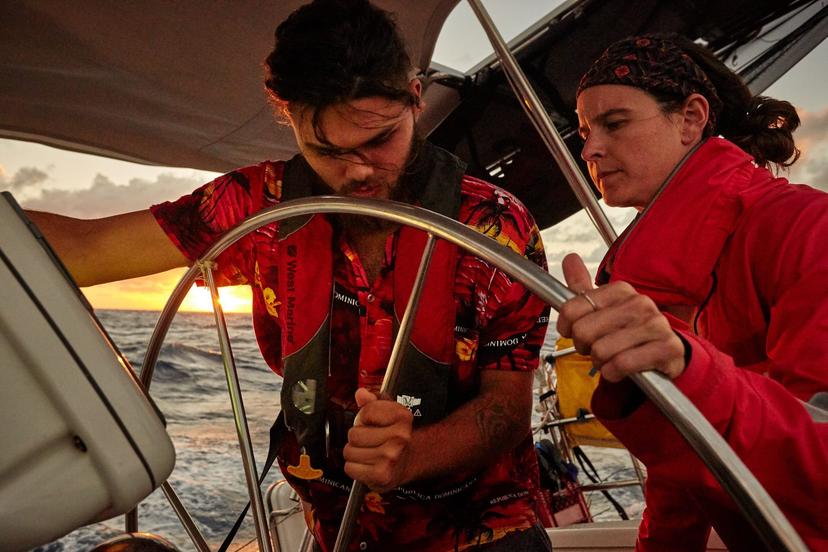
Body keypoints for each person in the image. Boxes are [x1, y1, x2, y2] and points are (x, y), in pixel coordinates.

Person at [27, 1, 553, 551]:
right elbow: (85, 248)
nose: (357, 172)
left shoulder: (497, 228)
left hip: (486, 532)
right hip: (338, 534)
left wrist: (414, 455)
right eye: (326, 150)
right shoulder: (256, 207)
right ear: (290, 120)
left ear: (415, 100)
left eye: (379, 140)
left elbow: (508, 406)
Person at [557, 34, 828, 550]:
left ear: (690, 118)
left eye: (614, 124)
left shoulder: (808, 229)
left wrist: (689, 371)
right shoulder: (669, 275)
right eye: (586, 131)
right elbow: (681, 469)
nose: (589, 148)